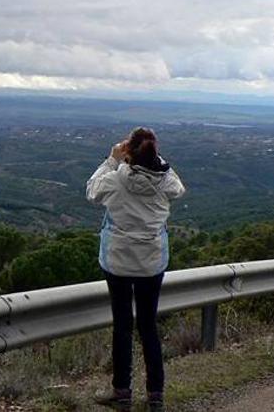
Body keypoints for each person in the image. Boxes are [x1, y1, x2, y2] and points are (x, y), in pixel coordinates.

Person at [86, 127, 185, 412]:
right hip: (152, 262)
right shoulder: (165, 182)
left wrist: (112, 159)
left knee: (122, 326)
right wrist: (156, 159)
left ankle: (122, 392)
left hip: (117, 260)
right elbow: (178, 187)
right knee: (148, 326)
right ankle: (156, 394)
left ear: (128, 151)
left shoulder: (115, 180)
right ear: (154, 153)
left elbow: (92, 192)